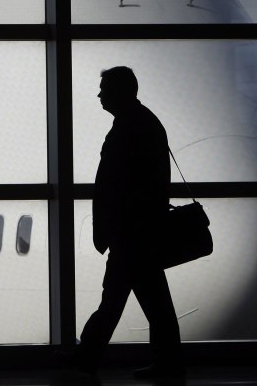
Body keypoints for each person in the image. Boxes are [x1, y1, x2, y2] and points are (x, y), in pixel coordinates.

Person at [77, 66, 184, 380]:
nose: (99, 95)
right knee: (153, 305)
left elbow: (118, 184)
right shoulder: (142, 123)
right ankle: (168, 363)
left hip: (132, 235)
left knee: (114, 302)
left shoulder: (130, 127)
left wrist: (113, 228)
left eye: (104, 89)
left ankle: (85, 357)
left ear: (120, 92)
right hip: (140, 233)